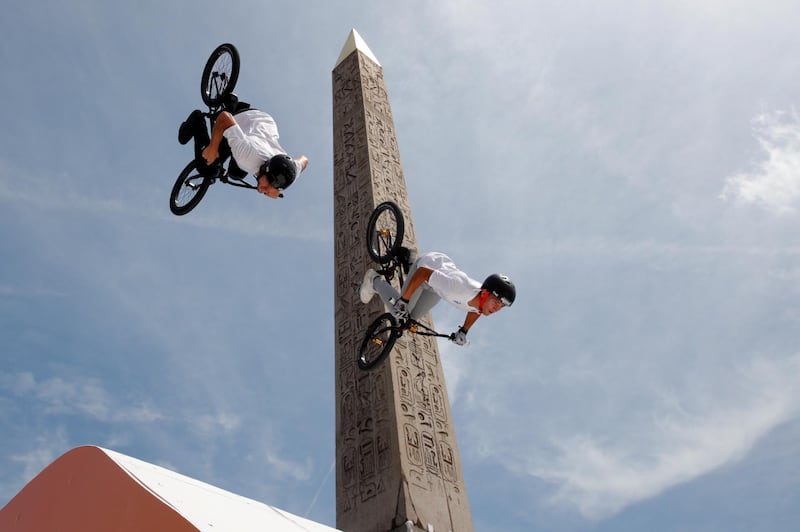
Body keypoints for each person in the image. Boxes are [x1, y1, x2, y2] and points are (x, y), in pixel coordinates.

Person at [359, 251, 515, 345]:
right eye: (496, 302)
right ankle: (374, 280)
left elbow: (475, 311)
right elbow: (423, 274)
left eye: (501, 306)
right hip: (427, 270)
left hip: (437, 288)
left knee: (409, 319)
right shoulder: (459, 288)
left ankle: (406, 260)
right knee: (399, 311)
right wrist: (404, 301)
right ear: (485, 294)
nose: (497, 308)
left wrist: (464, 331)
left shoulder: (481, 304)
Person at [178, 96, 308, 199]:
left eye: (270, 188)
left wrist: (276, 189)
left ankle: (232, 103)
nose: (263, 190)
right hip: (241, 119)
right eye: (267, 185)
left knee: (236, 174)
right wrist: (212, 147)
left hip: (264, 122)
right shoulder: (247, 156)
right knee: (207, 167)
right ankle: (198, 120)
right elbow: (224, 118)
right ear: (266, 168)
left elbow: (304, 161)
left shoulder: (290, 169)